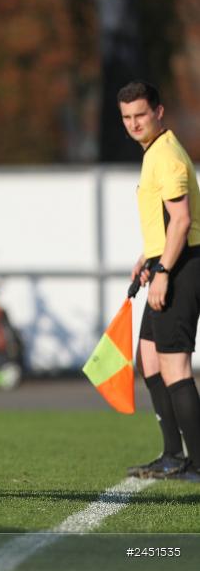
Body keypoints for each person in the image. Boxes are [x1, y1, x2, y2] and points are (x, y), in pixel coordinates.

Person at [118, 81, 200, 483]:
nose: (134, 123)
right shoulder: (153, 153)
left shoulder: (165, 155)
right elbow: (166, 222)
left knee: (174, 365)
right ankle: (172, 455)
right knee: (149, 359)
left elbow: (182, 220)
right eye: (127, 117)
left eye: (140, 115)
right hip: (166, 261)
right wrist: (149, 256)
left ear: (159, 112)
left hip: (182, 267)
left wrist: (164, 270)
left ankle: (197, 464)